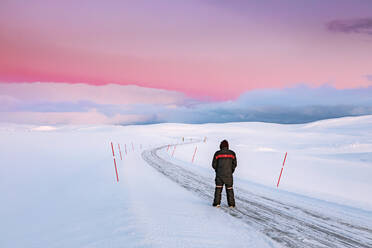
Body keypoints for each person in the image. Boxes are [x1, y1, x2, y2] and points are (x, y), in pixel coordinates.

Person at [212, 140, 237, 208]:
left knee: (218, 190)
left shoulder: (217, 153)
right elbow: (234, 164)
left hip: (219, 175)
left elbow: (214, 164)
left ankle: (217, 204)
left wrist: (218, 170)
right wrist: (231, 171)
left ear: (221, 146)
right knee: (230, 189)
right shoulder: (232, 153)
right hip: (229, 175)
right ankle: (231, 204)